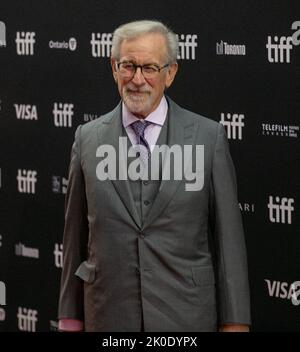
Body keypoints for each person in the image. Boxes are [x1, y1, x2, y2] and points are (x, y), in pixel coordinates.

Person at [58, 20, 251, 332]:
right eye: (129, 66)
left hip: (187, 319)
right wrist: (69, 320)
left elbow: (229, 244)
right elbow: (74, 242)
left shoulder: (207, 137)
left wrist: (236, 323)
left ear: (170, 73)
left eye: (149, 67)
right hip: (108, 318)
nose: (137, 79)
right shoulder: (87, 139)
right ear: (113, 67)